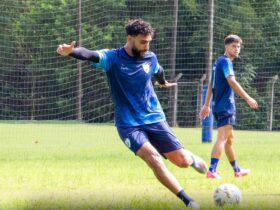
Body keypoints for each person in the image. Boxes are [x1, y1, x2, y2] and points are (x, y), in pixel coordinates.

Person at [57, 19, 207, 209]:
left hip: (154, 118)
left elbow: (158, 70)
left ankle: (190, 158)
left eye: (149, 42)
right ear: (130, 38)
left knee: (182, 161)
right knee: (153, 158)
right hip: (128, 124)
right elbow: (90, 55)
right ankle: (188, 201)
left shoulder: (150, 57)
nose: (146, 46)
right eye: (143, 42)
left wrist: (162, 82)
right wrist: (72, 52)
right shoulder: (113, 58)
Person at [199, 34, 258, 179]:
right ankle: (212, 171)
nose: (237, 49)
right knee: (222, 138)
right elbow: (231, 81)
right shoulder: (226, 62)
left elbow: (211, 84)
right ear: (226, 46)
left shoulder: (218, 62)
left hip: (218, 107)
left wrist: (206, 105)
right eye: (233, 46)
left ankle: (237, 170)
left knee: (229, 140)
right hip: (226, 107)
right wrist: (247, 98)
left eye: (238, 46)